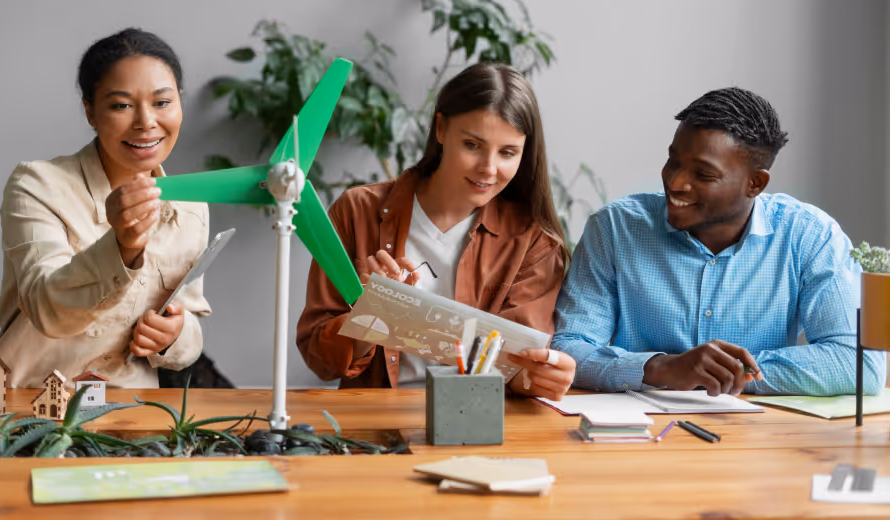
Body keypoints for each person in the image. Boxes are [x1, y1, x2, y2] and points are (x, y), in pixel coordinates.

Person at [552, 87, 885, 397]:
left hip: (756, 441)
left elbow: (860, 363)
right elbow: (567, 349)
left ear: (755, 183)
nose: (676, 182)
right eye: (673, 161)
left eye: (703, 175)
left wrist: (731, 373)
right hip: (641, 435)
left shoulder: (809, 236)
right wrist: (662, 368)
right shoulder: (615, 229)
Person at [297, 63, 577, 399]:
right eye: (472, 145)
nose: (488, 169)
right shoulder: (356, 210)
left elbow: (517, 370)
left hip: (477, 423)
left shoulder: (533, 240)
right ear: (441, 129)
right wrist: (371, 314)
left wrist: (543, 376)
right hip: (375, 425)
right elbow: (320, 361)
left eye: (507, 153)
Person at [0, 28, 212, 388]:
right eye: (121, 105)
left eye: (162, 102)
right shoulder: (37, 185)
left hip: (133, 413)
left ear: (180, 103)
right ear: (90, 112)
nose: (146, 122)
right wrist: (121, 248)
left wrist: (174, 335)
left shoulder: (190, 206)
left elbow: (188, 317)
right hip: (30, 410)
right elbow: (47, 310)